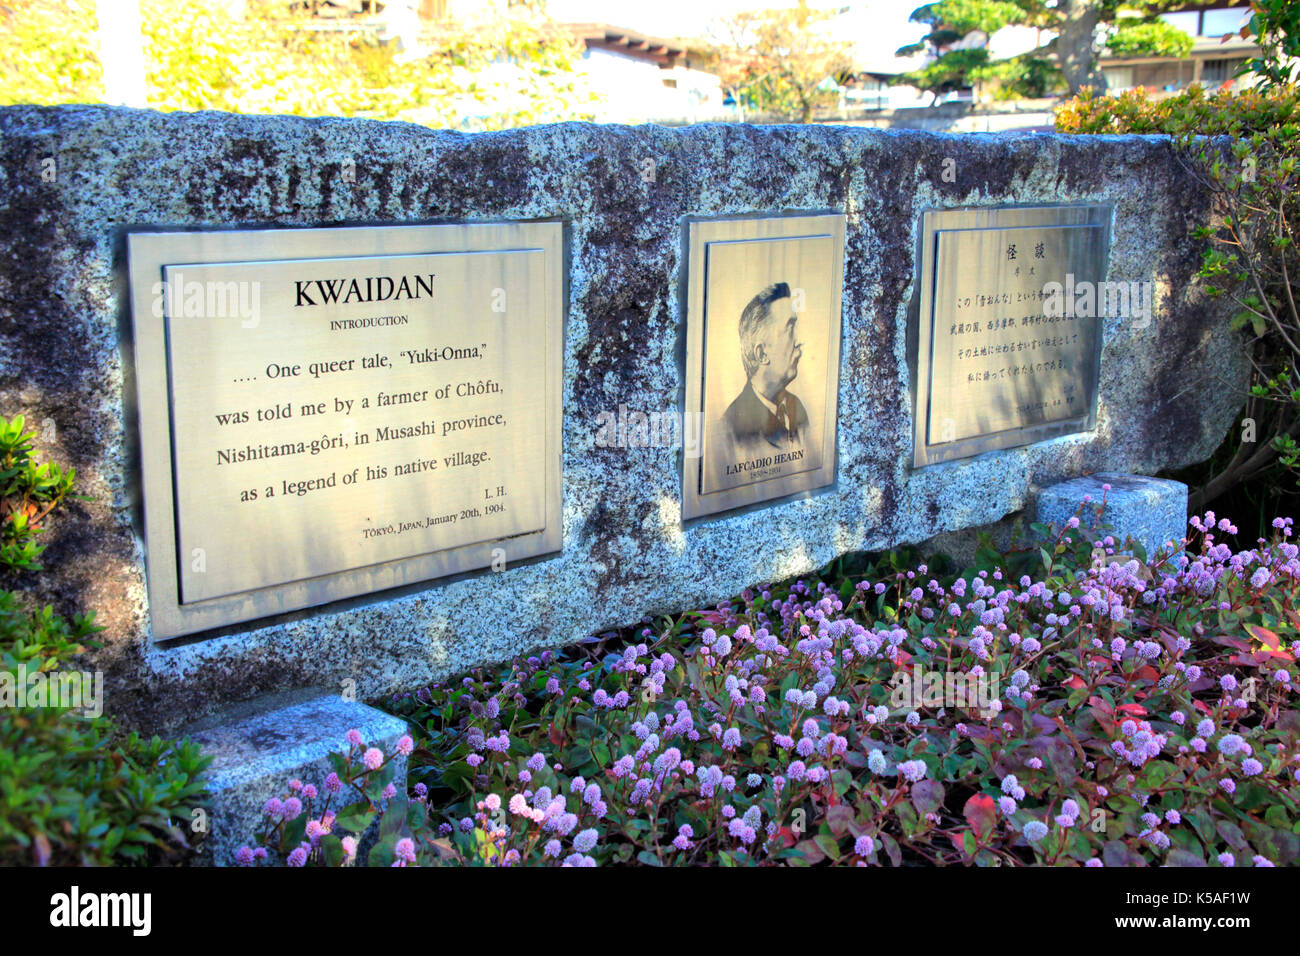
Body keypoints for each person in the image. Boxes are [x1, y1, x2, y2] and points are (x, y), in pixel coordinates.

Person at [721, 281, 809, 459]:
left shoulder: (797, 408)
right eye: (789, 329)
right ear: (761, 354)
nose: (799, 340)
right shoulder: (730, 428)